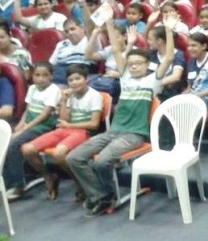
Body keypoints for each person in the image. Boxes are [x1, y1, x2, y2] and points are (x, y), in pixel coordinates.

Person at [66, 12, 177, 216]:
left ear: (147, 66)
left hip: (134, 135)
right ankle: (98, 195)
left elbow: (169, 57)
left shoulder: (153, 81)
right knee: (74, 157)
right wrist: (109, 21)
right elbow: (116, 49)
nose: (133, 65)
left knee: (101, 162)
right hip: (113, 132)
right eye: (131, 62)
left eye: (138, 63)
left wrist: (169, 31)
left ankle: (106, 196)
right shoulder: (125, 78)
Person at [20, 64, 102, 201]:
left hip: (83, 132)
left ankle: (80, 182)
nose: (74, 82)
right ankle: (48, 176)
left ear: (86, 79)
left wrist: (70, 125)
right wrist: (64, 101)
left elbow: (94, 124)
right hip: (65, 129)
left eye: (78, 79)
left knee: (59, 154)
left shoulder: (94, 95)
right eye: (71, 80)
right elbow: (63, 120)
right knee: (27, 149)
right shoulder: (68, 95)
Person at [4, 62, 59, 200]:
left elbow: (44, 115)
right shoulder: (33, 88)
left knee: (13, 145)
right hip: (29, 124)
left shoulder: (54, 90)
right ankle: (7, 181)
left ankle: (18, 186)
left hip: (44, 126)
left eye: (45, 75)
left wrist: (23, 130)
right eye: (37, 75)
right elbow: (28, 110)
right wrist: (21, 125)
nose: (40, 78)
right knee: (4, 142)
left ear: (51, 76)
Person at [182, 33, 208, 110]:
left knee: (187, 110)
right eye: (188, 46)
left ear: (204, 46)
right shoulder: (190, 62)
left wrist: (197, 96)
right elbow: (190, 87)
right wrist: (182, 96)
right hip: (193, 97)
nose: (190, 49)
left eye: (193, 45)